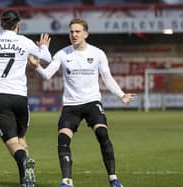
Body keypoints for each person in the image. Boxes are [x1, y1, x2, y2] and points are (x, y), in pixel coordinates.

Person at [28, 18, 137, 187]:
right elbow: (47, 75)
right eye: (71, 32)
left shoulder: (98, 53)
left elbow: (107, 78)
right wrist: (37, 67)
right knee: (63, 139)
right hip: (71, 106)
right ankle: (67, 181)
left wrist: (121, 94)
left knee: (102, 134)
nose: (74, 34)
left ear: (86, 33)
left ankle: (113, 179)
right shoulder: (62, 54)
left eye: (78, 31)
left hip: (92, 102)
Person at [0, 9, 51, 187]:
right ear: (18, 24)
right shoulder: (25, 42)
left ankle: (25, 161)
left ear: (1, 23)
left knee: (12, 144)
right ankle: (26, 180)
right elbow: (47, 58)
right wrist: (43, 47)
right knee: (21, 139)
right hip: (20, 98)